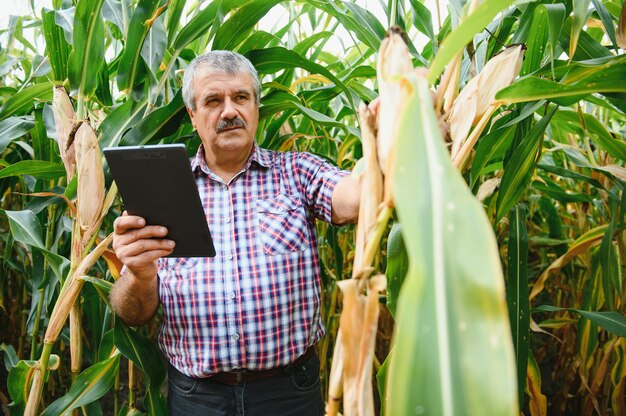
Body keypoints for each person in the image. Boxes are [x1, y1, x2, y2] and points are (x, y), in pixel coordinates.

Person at [110, 50, 361, 416]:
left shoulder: (297, 172)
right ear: (193, 116)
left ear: (256, 107)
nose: (229, 111)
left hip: (289, 392)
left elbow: (353, 198)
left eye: (241, 97)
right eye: (213, 101)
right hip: (198, 397)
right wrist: (139, 273)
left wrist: (385, 142)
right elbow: (132, 312)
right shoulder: (160, 190)